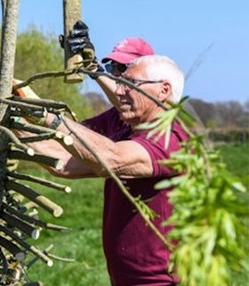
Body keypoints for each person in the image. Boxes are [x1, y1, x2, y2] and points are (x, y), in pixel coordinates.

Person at [19, 54, 187, 285]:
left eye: (130, 84)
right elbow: (61, 162)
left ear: (163, 90)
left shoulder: (170, 140)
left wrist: (52, 119)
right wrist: (15, 121)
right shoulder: (129, 134)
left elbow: (111, 158)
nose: (118, 92)